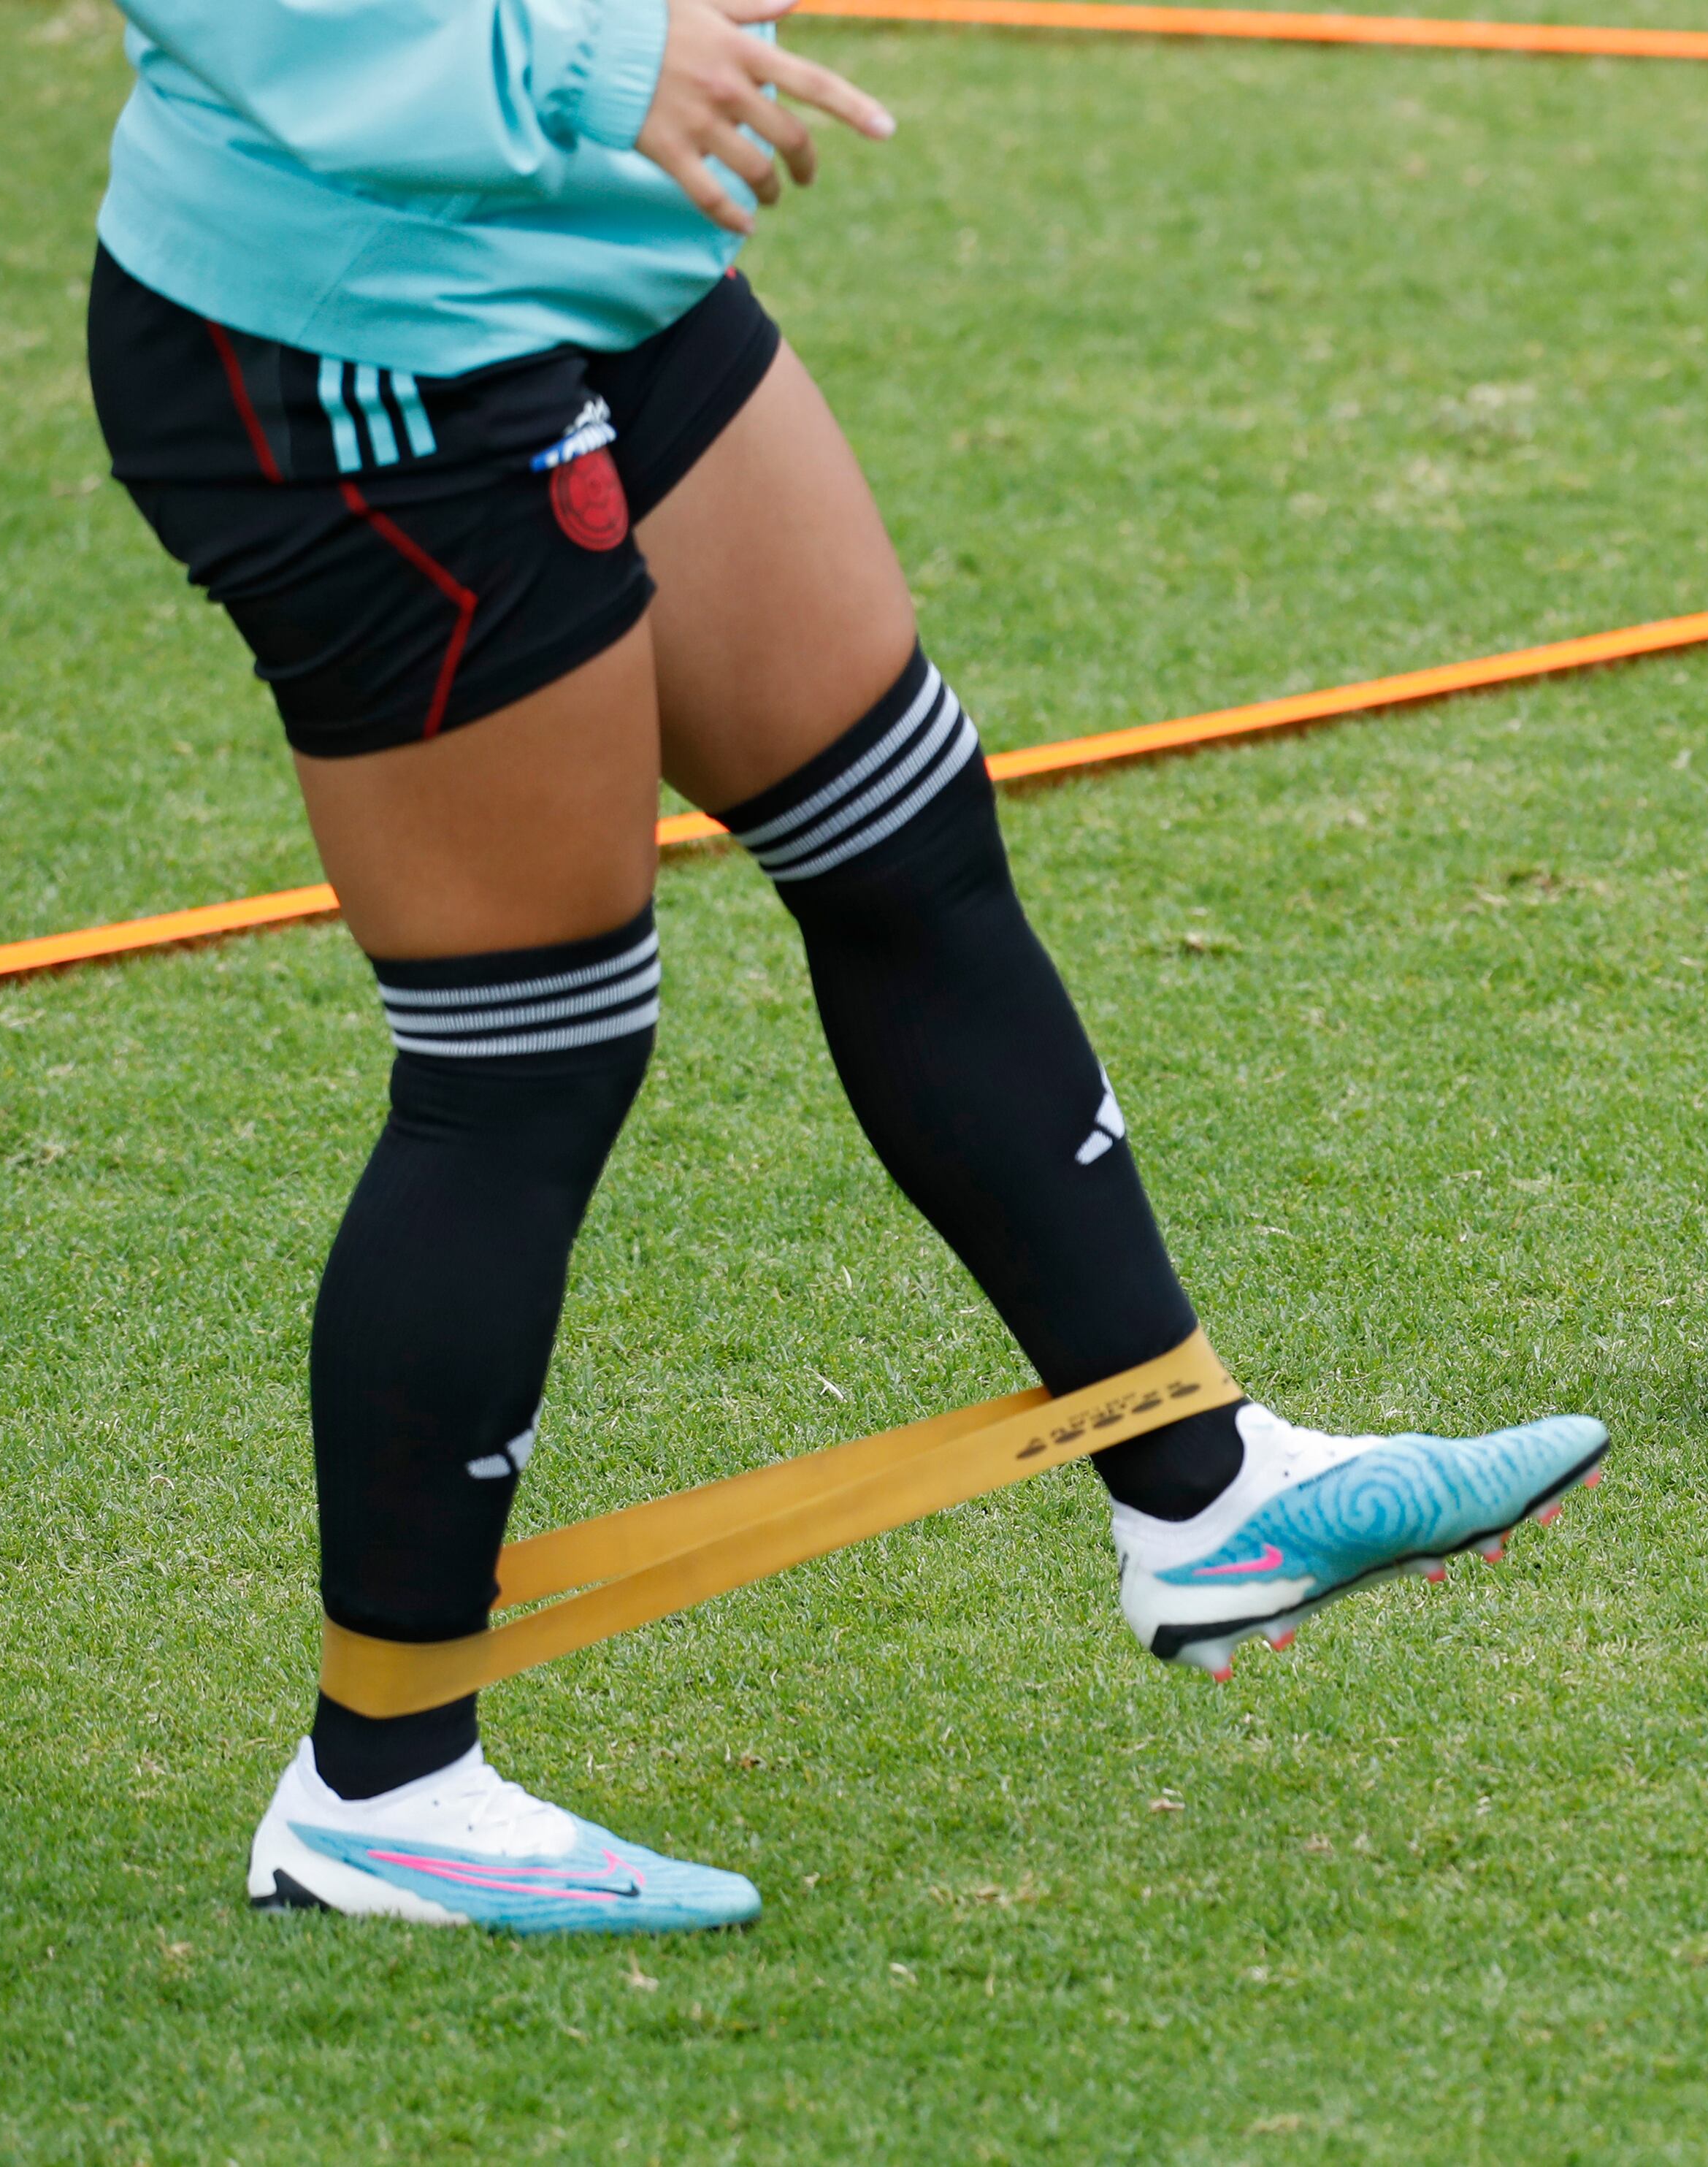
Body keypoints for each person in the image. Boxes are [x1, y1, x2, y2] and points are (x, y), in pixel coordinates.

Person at [87, 0, 1605, 1936]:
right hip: (370, 319)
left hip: (600, 246)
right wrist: (584, 62)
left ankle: (1201, 1492)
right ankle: (378, 1784)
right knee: (528, 1055)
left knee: (903, 841)